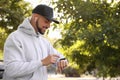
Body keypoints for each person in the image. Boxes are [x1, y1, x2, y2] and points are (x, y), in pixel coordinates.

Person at [3, 4, 68, 80]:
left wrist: (62, 60)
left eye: (50, 23)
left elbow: (57, 56)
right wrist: (41, 62)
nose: (48, 26)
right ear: (35, 18)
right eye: (46, 21)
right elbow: (11, 70)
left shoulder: (44, 42)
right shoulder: (15, 38)